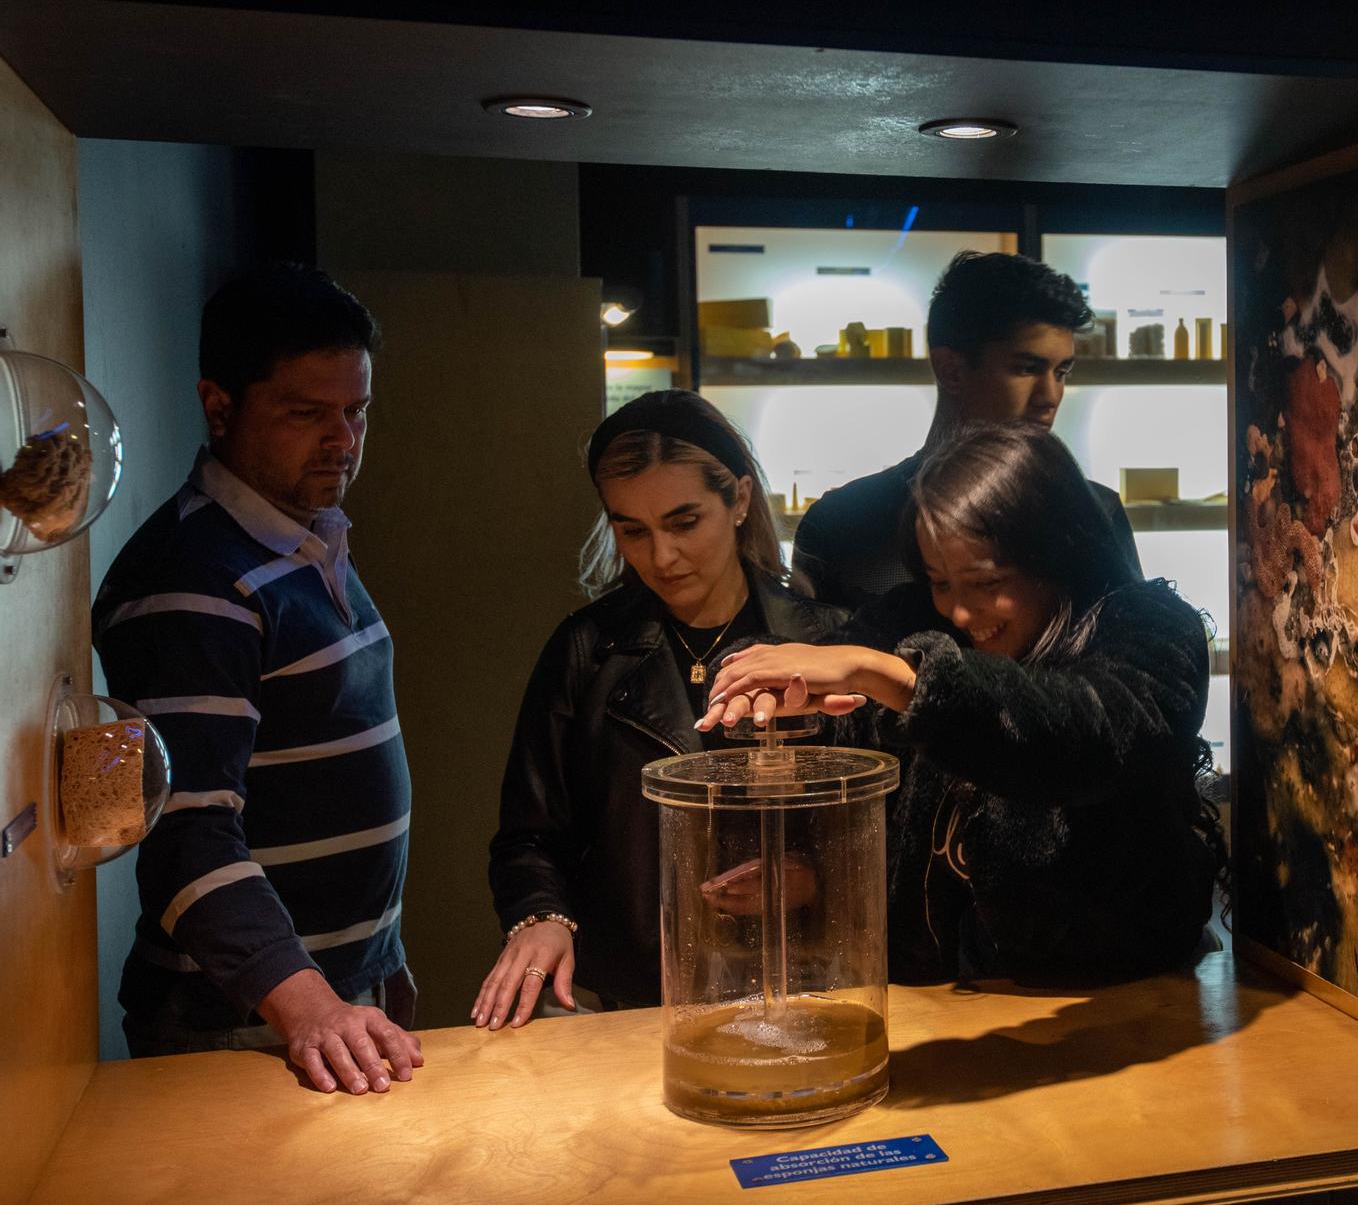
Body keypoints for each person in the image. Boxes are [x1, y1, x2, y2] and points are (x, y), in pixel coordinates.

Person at [701, 422, 1223, 984]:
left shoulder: (1150, 626)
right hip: (941, 993)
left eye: (985, 581)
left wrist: (900, 678)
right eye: (941, 583)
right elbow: (821, 663)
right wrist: (763, 680)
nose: (960, 614)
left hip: (1113, 995)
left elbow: (1090, 732)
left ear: (1055, 552)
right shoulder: (918, 616)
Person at [93, 263, 421, 1095]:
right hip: (238, 1017)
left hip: (330, 994)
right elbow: (185, 834)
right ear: (219, 404)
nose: (343, 439)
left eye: (357, 411)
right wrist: (310, 1003)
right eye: (307, 413)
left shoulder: (304, 538)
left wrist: (373, 963)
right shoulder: (194, 580)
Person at [478, 391, 842, 1026]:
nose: (661, 558)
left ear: (740, 501)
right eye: (632, 531)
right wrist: (542, 916)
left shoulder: (822, 643)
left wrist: (814, 876)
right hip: (635, 992)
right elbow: (530, 835)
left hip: (804, 980)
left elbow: (882, 824)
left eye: (683, 522)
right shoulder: (586, 649)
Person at [790, 250, 1140, 609]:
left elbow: (1144, 658)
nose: (1050, 397)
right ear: (951, 370)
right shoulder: (843, 525)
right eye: (1026, 368)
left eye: (1061, 372)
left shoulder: (1096, 511)